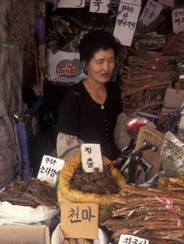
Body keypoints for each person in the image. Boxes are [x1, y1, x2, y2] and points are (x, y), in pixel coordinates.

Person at [56, 30, 131, 160]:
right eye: (100, 62)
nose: (106, 68)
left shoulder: (113, 91)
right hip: (86, 169)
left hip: (113, 163)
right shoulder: (73, 99)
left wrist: (129, 151)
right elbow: (66, 150)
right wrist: (98, 164)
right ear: (85, 64)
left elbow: (119, 131)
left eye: (111, 61)